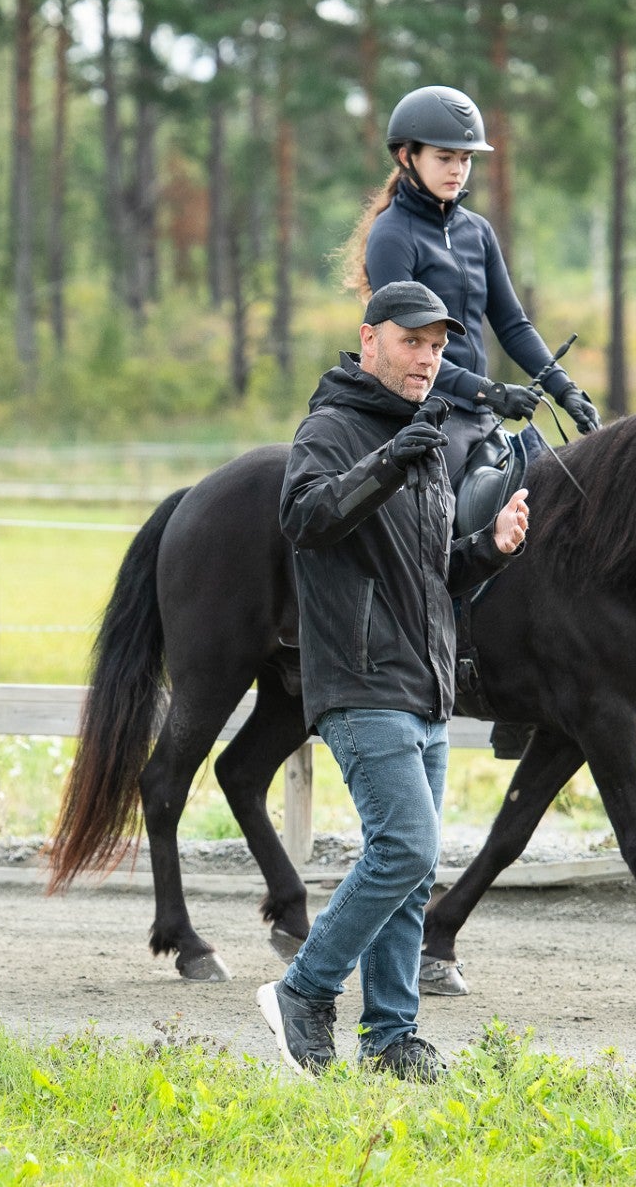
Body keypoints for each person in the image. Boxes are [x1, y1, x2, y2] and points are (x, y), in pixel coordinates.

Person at [258, 280, 530, 1082]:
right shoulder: (333, 427)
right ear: (370, 338)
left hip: (425, 686)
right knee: (407, 845)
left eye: (440, 345)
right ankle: (302, 991)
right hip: (359, 677)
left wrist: (491, 547)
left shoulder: (424, 439)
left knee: (410, 868)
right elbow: (304, 519)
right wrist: (388, 461)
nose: (428, 357)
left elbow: (432, 569)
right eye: (413, 341)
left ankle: (390, 1036)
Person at [337, 84, 604, 478]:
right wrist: (490, 391)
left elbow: (513, 326)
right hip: (425, 412)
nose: (457, 170)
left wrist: (565, 390)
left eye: (465, 159)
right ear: (406, 156)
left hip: (480, 415)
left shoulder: (477, 231)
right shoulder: (391, 236)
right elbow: (403, 348)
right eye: (444, 157)